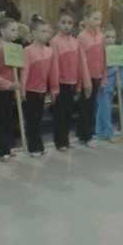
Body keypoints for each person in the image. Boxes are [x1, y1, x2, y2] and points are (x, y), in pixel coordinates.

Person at [50, 8, 90, 151]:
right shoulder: (55, 42)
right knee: (60, 114)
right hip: (61, 83)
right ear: (58, 23)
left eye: (69, 23)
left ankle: (66, 139)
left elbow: (79, 65)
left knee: (68, 113)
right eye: (63, 22)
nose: (66, 26)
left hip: (72, 83)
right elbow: (54, 66)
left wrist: (79, 86)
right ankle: (60, 142)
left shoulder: (75, 42)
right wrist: (54, 87)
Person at [20, 15, 57, 157]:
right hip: (30, 90)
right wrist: (22, 91)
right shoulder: (28, 50)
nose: (46, 34)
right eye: (43, 31)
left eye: (48, 31)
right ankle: (35, 147)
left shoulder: (49, 51)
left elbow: (52, 72)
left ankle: (37, 146)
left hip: (42, 90)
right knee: (32, 120)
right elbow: (24, 72)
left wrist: (54, 89)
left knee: (38, 118)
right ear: (34, 33)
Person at [0, 17, 20, 160]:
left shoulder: (13, 47)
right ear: (2, 31)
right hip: (0, 91)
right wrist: (9, 84)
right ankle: (1, 151)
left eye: (16, 30)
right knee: (1, 121)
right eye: (12, 30)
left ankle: (6, 147)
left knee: (8, 121)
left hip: (10, 91)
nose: (16, 33)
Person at [77, 6, 106, 147]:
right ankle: (86, 135)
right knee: (85, 107)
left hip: (98, 76)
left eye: (100, 19)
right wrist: (86, 81)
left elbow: (104, 59)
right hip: (87, 78)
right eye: (95, 19)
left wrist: (103, 78)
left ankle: (86, 133)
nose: (98, 22)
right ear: (86, 19)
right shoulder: (82, 37)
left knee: (92, 106)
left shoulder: (101, 37)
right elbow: (82, 60)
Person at [96, 26, 119, 141]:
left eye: (113, 37)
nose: (110, 40)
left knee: (103, 109)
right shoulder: (100, 52)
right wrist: (112, 71)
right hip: (103, 85)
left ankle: (99, 131)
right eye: (108, 37)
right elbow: (100, 70)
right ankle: (110, 133)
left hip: (111, 85)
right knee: (106, 111)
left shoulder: (114, 51)